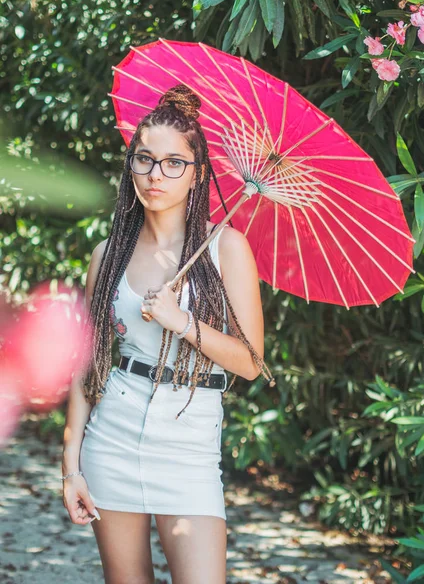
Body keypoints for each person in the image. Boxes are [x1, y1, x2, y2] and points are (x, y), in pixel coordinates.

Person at [61, 84, 270, 584]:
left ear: (198, 175)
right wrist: (71, 467)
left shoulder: (227, 250)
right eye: (145, 159)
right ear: (130, 165)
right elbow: (89, 362)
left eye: (175, 163)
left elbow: (250, 362)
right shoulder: (107, 254)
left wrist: (185, 323)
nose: (157, 175)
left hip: (189, 449)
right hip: (111, 441)